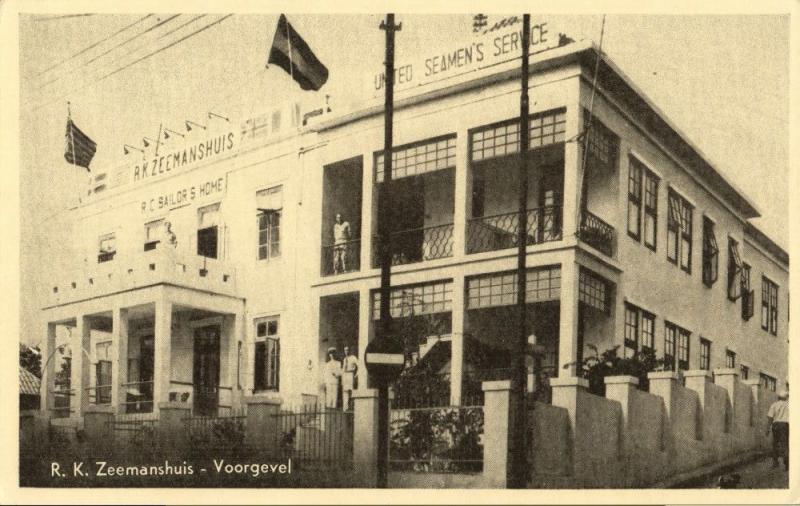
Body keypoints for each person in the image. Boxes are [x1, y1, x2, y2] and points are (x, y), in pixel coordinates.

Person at [767, 389, 789, 471]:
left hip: (776, 425)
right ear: (786, 398)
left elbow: (770, 417)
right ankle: (787, 464)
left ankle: (775, 462)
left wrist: (767, 429)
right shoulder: (789, 405)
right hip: (786, 425)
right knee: (785, 444)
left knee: (775, 444)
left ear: (778, 397)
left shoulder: (774, 405)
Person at [341, 346, 359, 411]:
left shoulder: (353, 358)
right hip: (345, 375)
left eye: (347, 350)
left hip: (350, 374)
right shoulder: (344, 359)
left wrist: (356, 375)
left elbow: (359, 365)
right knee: (345, 392)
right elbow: (343, 370)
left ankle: (353, 407)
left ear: (350, 351)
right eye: (345, 350)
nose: (346, 351)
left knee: (351, 391)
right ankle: (345, 408)